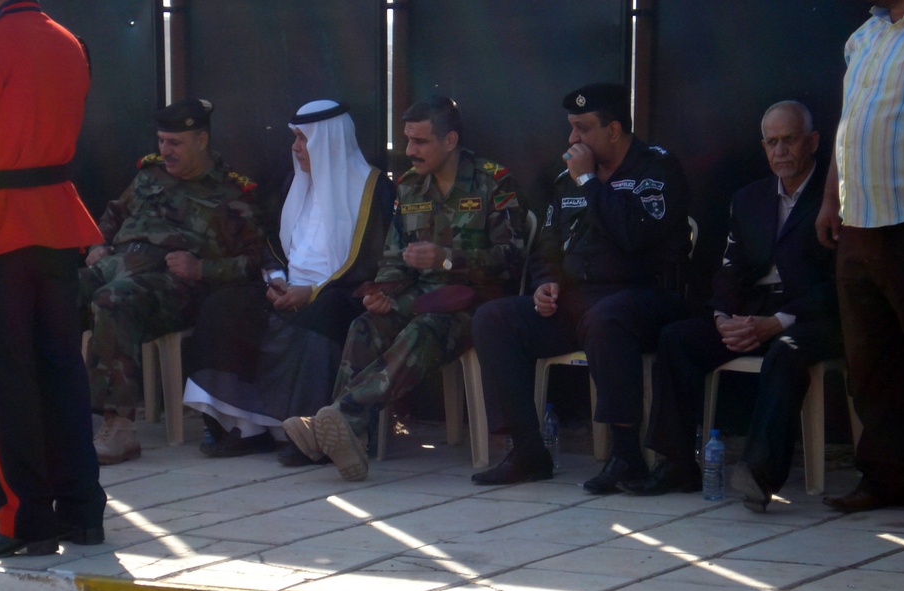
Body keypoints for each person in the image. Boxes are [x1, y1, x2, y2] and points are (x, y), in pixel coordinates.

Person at [0, 0, 106, 557]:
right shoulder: (66, 40)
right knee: (61, 368)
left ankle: (21, 517)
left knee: (2, 376)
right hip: (55, 218)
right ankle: (81, 509)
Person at [283, 94, 526, 481]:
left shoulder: (492, 181)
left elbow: (512, 260)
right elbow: (394, 258)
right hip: (419, 298)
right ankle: (349, 437)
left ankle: (337, 423)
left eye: (421, 142)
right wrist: (382, 293)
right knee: (365, 325)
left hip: (474, 305)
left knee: (422, 329)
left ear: (450, 141)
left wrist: (446, 257)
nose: (410, 151)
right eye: (407, 140)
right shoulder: (410, 187)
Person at [469, 82, 691, 490]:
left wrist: (590, 181)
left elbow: (634, 237)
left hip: (646, 297)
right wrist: (546, 282)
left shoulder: (656, 169)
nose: (573, 139)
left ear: (614, 129)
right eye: (571, 128)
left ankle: (626, 455)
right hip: (580, 301)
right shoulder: (566, 179)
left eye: (583, 128)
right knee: (494, 318)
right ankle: (527, 451)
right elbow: (548, 247)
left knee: (608, 317)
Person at [622, 102, 843, 509]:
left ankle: (759, 473)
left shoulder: (834, 198)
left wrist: (777, 322)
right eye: (772, 142)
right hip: (751, 312)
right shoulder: (749, 198)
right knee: (677, 339)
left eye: (789, 140)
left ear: (812, 141)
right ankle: (675, 465)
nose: (780, 151)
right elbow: (728, 267)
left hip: (812, 317)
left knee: (784, 354)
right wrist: (723, 316)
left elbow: (840, 284)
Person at [182, 100, 393, 461]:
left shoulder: (373, 190)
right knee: (224, 306)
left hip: (341, 294)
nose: (295, 147)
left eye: (302, 138)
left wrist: (310, 292)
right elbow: (275, 246)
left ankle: (311, 435)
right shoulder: (296, 182)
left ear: (328, 141)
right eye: (294, 138)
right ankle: (246, 427)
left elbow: (369, 262)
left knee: (322, 315)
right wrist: (277, 279)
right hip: (290, 289)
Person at [81, 98, 269, 465]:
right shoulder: (149, 175)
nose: (165, 151)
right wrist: (97, 244)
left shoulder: (231, 193)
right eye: (162, 141)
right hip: (117, 264)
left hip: (170, 284)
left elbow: (254, 263)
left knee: (112, 301)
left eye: (175, 143)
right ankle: (38, 414)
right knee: (50, 293)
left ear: (201, 140)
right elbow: (113, 214)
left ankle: (119, 428)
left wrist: (202, 269)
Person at [815, 0, 904, 524]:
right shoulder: (862, 37)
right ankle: (887, 477)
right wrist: (828, 197)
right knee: (869, 363)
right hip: (858, 220)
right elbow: (849, 125)